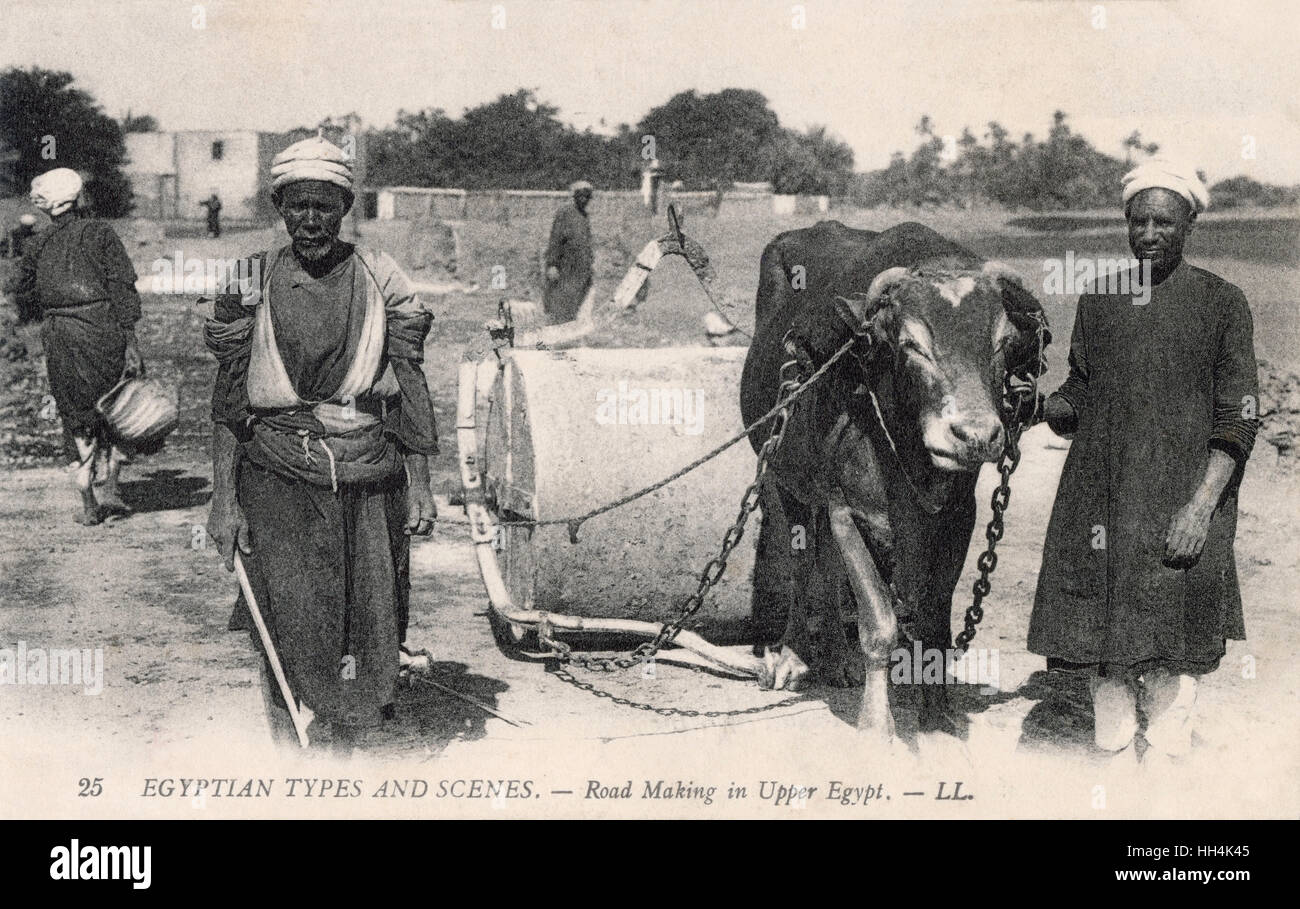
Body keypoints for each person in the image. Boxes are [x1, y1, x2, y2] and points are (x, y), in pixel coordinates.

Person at [204, 135, 438, 754]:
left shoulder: (381, 278)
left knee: (367, 619)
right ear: (281, 209)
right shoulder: (252, 279)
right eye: (298, 206)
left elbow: (407, 386)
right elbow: (229, 400)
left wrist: (421, 485)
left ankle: (342, 748)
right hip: (277, 471)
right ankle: (288, 752)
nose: (311, 220)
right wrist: (223, 500)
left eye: (325, 206)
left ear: (344, 207)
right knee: (285, 617)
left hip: (368, 476)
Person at [1030, 159, 1260, 765]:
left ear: (1189, 225)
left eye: (1164, 221)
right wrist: (1042, 405)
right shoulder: (1101, 298)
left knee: (1172, 651)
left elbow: (1240, 417)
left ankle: (1165, 771)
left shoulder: (1222, 302)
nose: (1150, 234)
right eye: (1138, 221)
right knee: (1102, 645)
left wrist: (1200, 508)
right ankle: (1111, 760)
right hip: (1100, 495)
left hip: (1181, 500)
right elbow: (1082, 391)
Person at [11, 168, 143, 524]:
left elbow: (21, 289)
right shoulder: (101, 233)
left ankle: (88, 501)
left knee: (75, 410)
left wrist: (48, 308)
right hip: (103, 329)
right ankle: (112, 487)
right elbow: (121, 286)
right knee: (117, 404)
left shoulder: (37, 243)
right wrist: (131, 340)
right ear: (78, 198)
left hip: (60, 335)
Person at [542, 179, 594, 324]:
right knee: (562, 300)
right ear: (575, 196)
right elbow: (555, 239)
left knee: (577, 301)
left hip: (581, 268)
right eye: (581, 195)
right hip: (566, 266)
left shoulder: (584, 216)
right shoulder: (565, 212)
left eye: (587, 196)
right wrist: (552, 264)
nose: (584, 199)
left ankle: (570, 328)